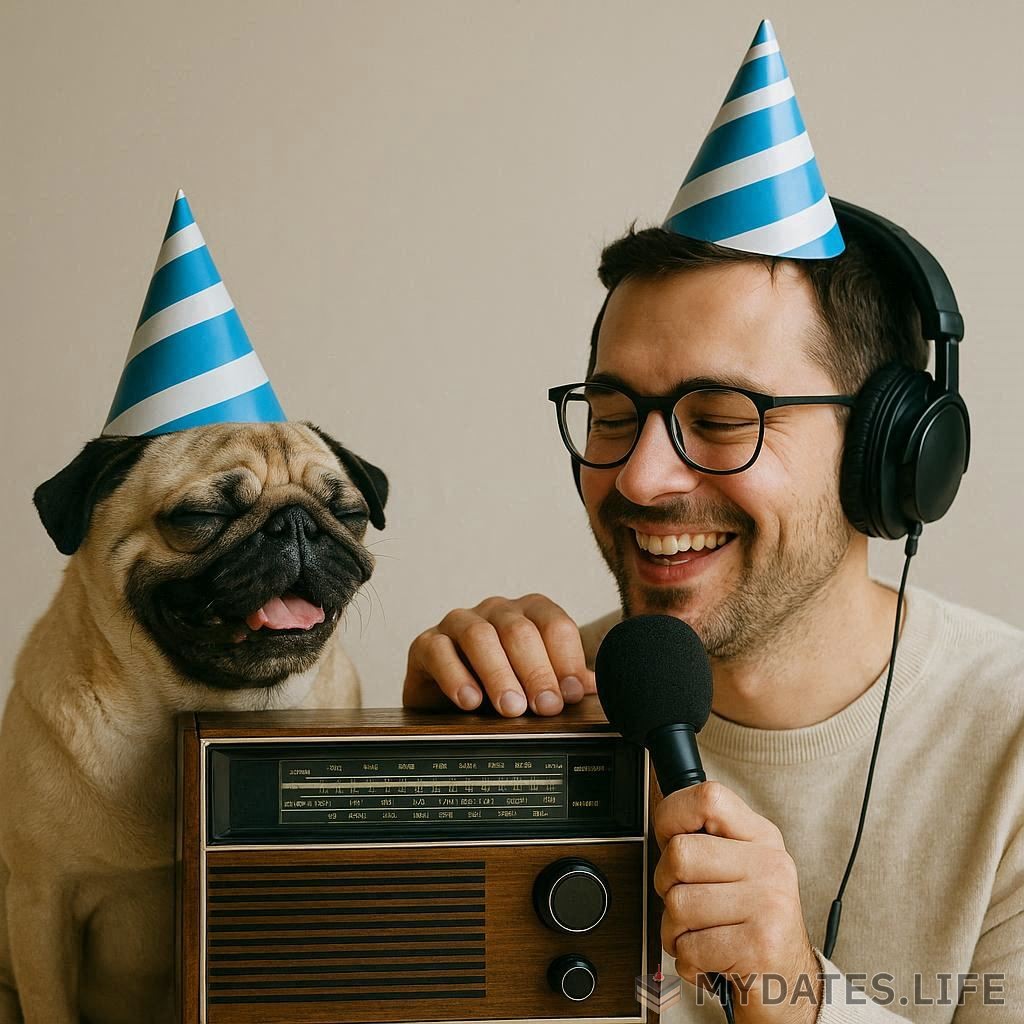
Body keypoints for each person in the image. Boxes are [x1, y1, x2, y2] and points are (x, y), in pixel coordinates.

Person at [402, 21, 1024, 1023]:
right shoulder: (544, 712)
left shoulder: (1010, 746)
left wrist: (801, 998)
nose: (641, 477)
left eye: (723, 420)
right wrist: (404, 784)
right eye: (613, 415)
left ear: (888, 452)